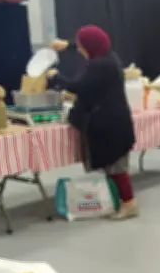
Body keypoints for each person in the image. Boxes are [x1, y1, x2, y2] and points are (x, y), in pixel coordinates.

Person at [48, 25, 138, 220]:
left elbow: (78, 86)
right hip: (113, 119)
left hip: (110, 124)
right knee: (112, 166)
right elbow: (89, 45)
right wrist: (67, 46)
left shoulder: (100, 65)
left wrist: (57, 77)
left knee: (116, 167)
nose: (79, 49)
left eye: (80, 45)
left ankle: (129, 204)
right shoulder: (108, 56)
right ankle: (117, 200)